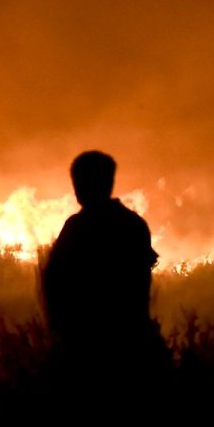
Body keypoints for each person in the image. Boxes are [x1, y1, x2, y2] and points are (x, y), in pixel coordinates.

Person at [40, 151, 164, 388]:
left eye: (81, 181)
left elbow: (53, 279)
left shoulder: (77, 227)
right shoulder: (134, 224)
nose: (77, 189)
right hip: (132, 341)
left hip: (86, 345)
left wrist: (58, 330)